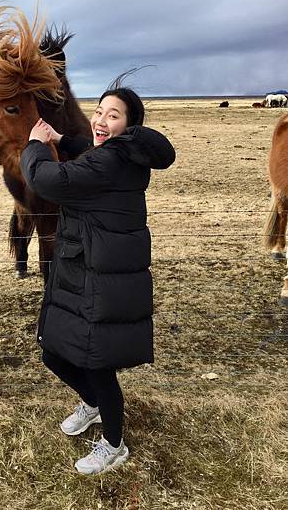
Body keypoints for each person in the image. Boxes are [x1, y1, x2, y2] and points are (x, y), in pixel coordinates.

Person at [20, 77, 176, 475]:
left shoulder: (108, 162)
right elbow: (90, 153)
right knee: (54, 351)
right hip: (87, 268)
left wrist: (36, 146)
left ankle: (113, 444)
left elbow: (47, 181)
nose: (102, 120)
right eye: (100, 111)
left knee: (97, 364)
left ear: (130, 127)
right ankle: (91, 404)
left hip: (101, 278)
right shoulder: (117, 155)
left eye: (114, 115)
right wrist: (64, 139)